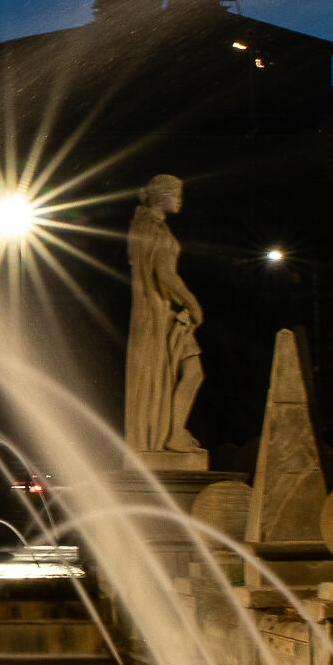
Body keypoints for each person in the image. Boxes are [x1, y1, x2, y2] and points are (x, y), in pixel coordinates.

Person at [124, 174, 204, 456]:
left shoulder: (146, 225)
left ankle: (173, 432)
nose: (180, 199)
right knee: (191, 373)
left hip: (163, 313)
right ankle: (172, 434)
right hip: (160, 315)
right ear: (160, 197)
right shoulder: (153, 230)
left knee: (187, 373)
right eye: (176, 194)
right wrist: (193, 303)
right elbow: (166, 274)